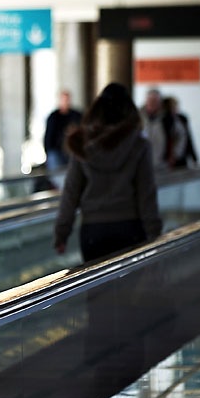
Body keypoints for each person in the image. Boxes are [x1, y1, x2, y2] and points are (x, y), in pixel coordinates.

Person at [54, 82, 162, 263]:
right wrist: (154, 233)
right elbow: (146, 193)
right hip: (130, 228)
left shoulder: (82, 144)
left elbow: (71, 192)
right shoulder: (139, 145)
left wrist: (61, 233)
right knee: (130, 289)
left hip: (93, 230)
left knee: (97, 289)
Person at [43, 89, 82, 174]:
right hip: (57, 152)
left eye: (67, 99)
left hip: (73, 151)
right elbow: (48, 139)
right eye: (64, 99)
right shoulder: (53, 117)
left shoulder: (77, 115)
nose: (66, 102)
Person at [163, 96, 198, 169]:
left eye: (175, 106)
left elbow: (188, 139)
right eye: (172, 107)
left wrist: (194, 158)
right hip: (168, 159)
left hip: (181, 156)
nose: (175, 108)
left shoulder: (182, 119)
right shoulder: (164, 121)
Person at [139, 88, 170, 172]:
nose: (153, 103)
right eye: (151, 100)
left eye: (155, 101)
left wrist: (175, 156)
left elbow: (180, 136)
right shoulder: (138, 117)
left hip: (162, 165)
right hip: (141, 164)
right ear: (146, 101)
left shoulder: (167, 119)